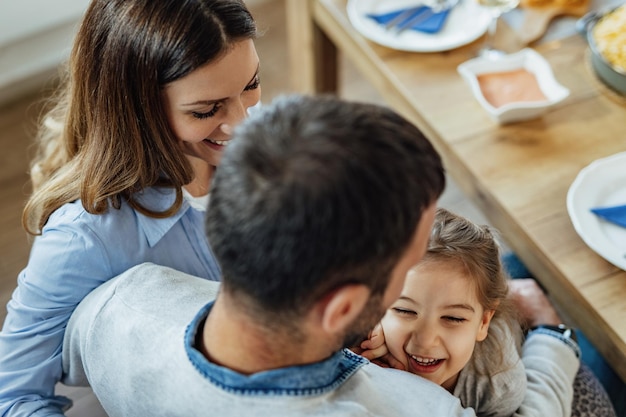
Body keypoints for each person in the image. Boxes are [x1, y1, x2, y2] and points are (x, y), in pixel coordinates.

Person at [61, 94, 579, 417]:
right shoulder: (419, 406)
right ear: (344, 310)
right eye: (403, 277)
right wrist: (555, 336)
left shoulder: (119, 300)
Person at [0, 0, 260, 415]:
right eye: (206, 110)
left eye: (251, 84)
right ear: (137, 109)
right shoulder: (82, 238)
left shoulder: (261, 150)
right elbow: (13, 397)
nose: (244, 121)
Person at [359, 207, 526, 417]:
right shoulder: (359, 349)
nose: (426, 341)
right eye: (404, 310)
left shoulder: (499, 384)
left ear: (483, 322)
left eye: (453, 318)